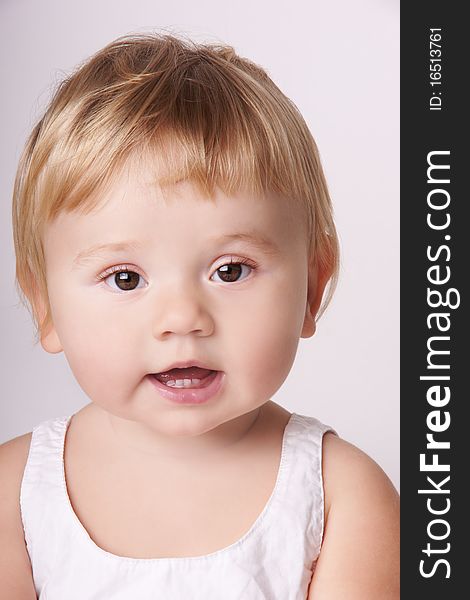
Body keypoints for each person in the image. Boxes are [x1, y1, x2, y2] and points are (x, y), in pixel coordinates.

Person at [0, 32, 399, 599]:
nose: (182, 319)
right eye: (125, 278)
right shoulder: (14, 495)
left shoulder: (344, 495)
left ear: (312, 289)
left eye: (230, 271)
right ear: (46, 308)